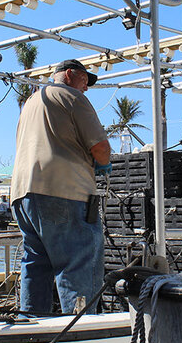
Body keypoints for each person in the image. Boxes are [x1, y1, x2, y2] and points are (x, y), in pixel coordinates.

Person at [11, 59, 112, 315]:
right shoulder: (72, 98)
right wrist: (103, 163)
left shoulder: (31, 102)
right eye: (85, 81)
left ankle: (32, 326)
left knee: (35, 263)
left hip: (23, 195)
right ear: (70, 74)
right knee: (78, 263)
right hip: (62, 193)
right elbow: (100, 148)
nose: (86, 88)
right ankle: (78, 329)